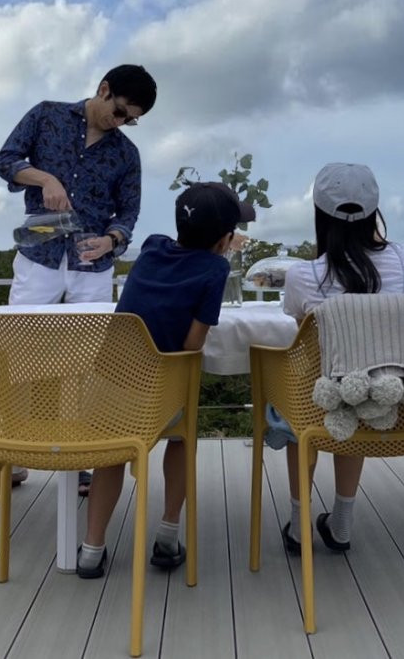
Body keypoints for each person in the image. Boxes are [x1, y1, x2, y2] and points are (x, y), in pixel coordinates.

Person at [76, 182, 255, 578]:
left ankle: (91, 550)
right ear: (224, 240)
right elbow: (192, 346)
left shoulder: (153, 246)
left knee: (113, 455)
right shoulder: (215, 269)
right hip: (158, 399)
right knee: (182, 436)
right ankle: (168, 536)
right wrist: (220, 254)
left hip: (108, 388)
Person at [0, 64, 157, 492]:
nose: (122, 123)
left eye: (131, 119)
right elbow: (6, 161)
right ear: (104, 90)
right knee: (19, 354)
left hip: (92, 265)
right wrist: (45, 177)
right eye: (120, 112)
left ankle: (82, 455)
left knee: (88, 364)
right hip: (39, 254)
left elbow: (129, 211)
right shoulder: (46, 115)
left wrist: (112, 240)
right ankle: (13, 456)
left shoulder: (127, 154)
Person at [266, 163, 404, 553]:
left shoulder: (303, 275)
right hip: (384, 399)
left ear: (320, 213)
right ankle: (342, 522)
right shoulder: (402, 259)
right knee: (358, 381)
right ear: (373, 211)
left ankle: (299, 524)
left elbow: (303, 331)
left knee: (306, 395)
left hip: (324, 402)